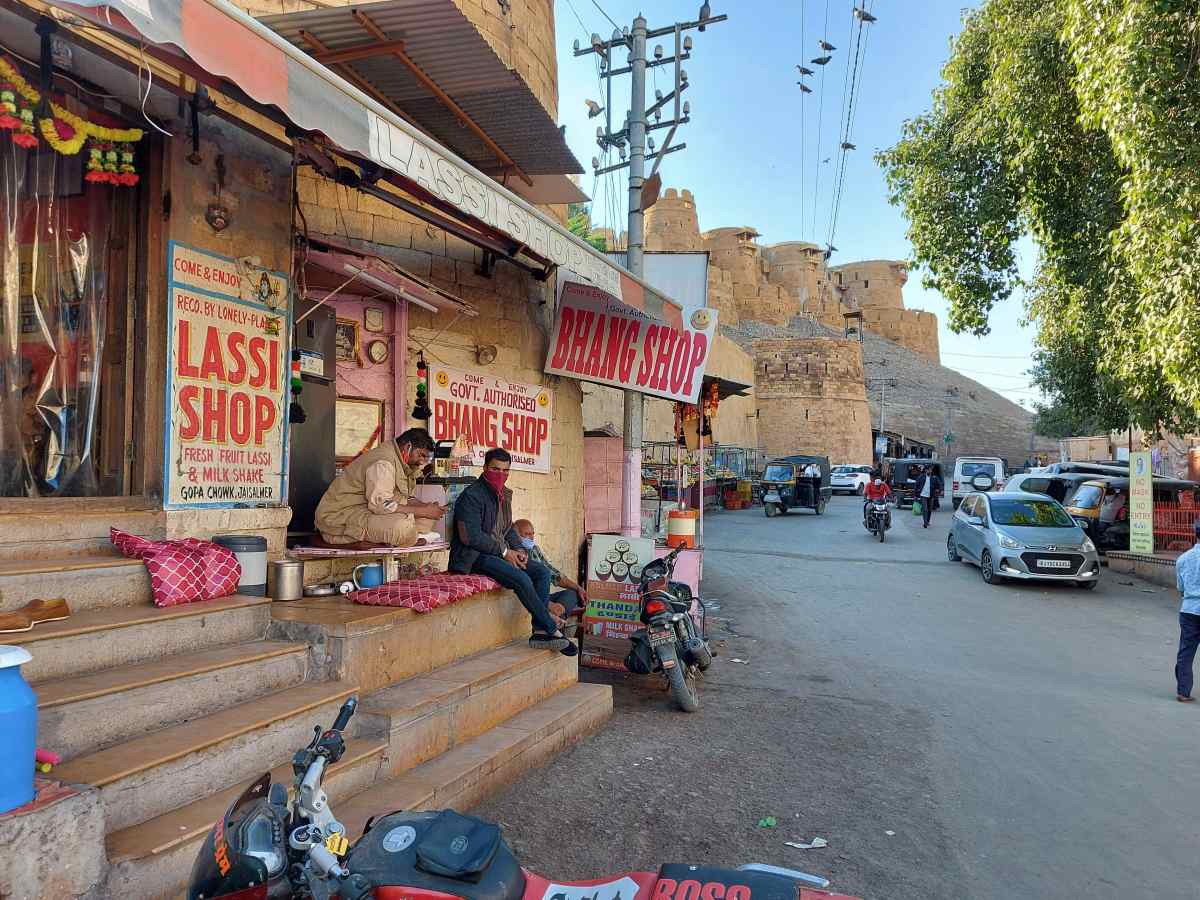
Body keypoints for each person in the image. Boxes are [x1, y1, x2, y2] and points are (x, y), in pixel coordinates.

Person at [448, 448, 574, 655]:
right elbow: (470, 537)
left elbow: (508, 528)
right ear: (485, 468)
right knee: (521, 579)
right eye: (495, 469)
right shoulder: (472, 495)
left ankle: (540, 630)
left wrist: (518, 549)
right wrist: (505, 551)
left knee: (540, 572)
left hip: (500, 552)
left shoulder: (504, 494)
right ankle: (552, 629)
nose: (501, 475)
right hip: (474, 557)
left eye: (506, 471)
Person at [314, 427, 443, 547]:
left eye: (426, 458)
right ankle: (394, 538)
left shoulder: (399, 460)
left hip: (368, 511)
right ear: (408, 447)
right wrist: (422, 511)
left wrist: (427, 508)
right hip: (339, 517)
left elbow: (403, 498)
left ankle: (398, 537)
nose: (422, 462)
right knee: (403, 530)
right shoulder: (383, 463)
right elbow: (381, 504)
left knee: (425, 521)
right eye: (421, 455)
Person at [513, 518, 589, 628]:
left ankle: (553, 620)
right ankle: (551, 624)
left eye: (532, 534)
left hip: (544, 597)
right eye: (526, 534)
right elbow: (522, 587)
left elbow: (555, 575)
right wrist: (548, 604)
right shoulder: (514, 553)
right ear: (516, 535)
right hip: (530, 598)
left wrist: (579, 588)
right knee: (555, 609)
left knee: (573, 593)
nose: (531, 537)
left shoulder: (535, 549)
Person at [1174, 520, 1200, 702]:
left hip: (1190, 610)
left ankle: (1183, 691)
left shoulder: (1183, 559)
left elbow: (1181, 588)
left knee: (1186, 652)